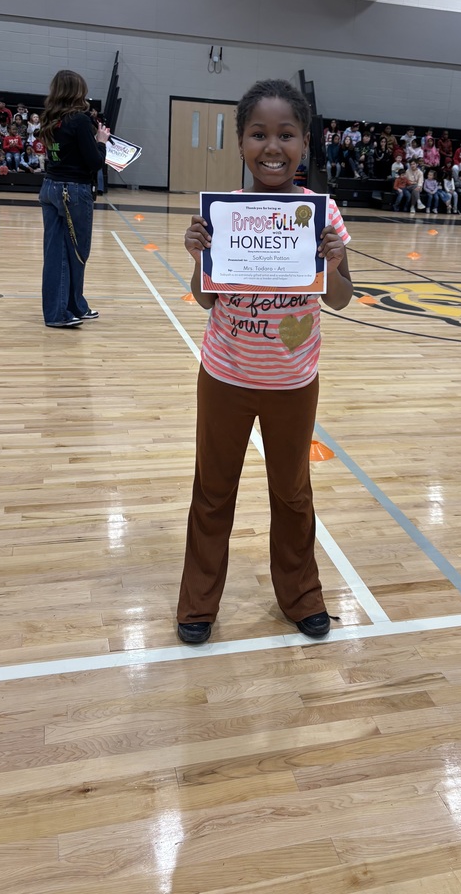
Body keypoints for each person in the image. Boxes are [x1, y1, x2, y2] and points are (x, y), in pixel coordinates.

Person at [176, 78, 352, 644]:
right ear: (241, 142)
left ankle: (301, 596)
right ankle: (198, 602)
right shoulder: (223, 215)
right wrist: (199, 253)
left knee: (293, 491)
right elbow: (206, 300)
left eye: (286, 134)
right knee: (213, 490)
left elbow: (340, 298)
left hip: (293, 382)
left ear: (304, 143)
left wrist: (336, 258)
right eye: (259, 134)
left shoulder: (322, 214)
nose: (272, 146)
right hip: (225, 374)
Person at [38, 69, 109, 328]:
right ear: (77, 92)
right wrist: (101, 141)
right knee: (77, 253)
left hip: (49, 188)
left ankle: (73, 306)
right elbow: (94, 162)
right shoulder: (78, 120)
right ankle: (63, 311)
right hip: (73, 191)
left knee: (55, 253)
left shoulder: (50, 118)